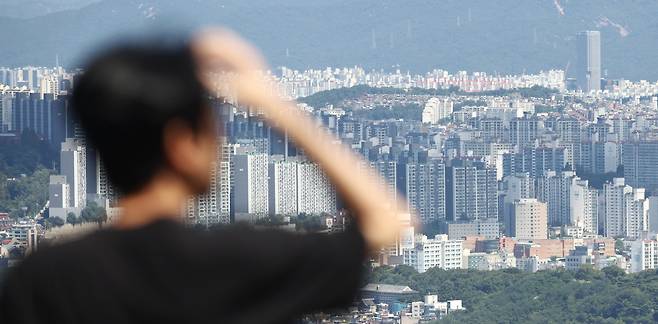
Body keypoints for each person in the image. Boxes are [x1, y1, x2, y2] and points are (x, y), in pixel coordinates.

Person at [0, 29, 406, 323]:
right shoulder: (234, 262)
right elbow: (385, 222)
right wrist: (276, 108)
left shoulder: (43, 277)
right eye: (213, 126)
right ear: (180, 143)